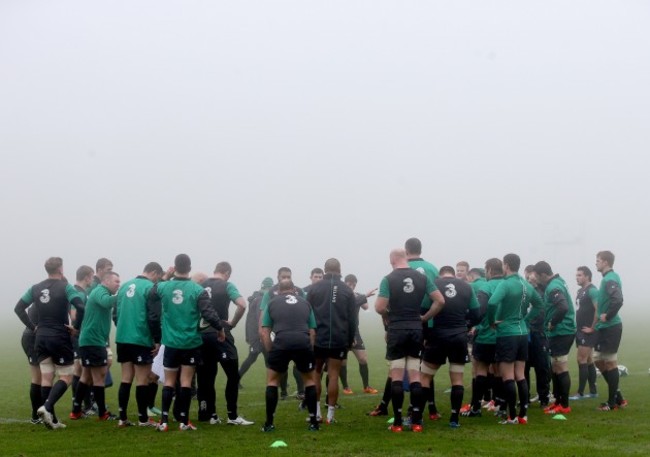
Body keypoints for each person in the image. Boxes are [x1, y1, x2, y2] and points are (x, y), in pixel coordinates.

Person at [148, 254, 225, 431]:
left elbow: (151, 294)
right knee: (186, 382)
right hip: (190, 343)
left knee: (168, 382)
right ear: (190, 268)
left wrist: (165, 277)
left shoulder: (163, 287)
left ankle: (164, 421)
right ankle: (184, 421)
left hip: (171, 343)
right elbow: (209, 314)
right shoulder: (197, 290)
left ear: (175, 267)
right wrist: (220, 329)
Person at [374, 248, 445, 433]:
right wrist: (424, 317)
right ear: (405, 258)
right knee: (415, 375)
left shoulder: (388, 278)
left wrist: (390, 315)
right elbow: (440, 301)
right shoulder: (422, 278)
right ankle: (416, 422)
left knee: (397, 375)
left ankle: (397, 423)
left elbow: (379, 307)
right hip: (416, 328)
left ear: (392, 261)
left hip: (397, 329)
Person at [14, 257, 86, 430]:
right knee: (66, 377)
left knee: (46, 377)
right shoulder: (66, 287)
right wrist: (75, 327)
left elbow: (18, 308)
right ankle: (46, 407)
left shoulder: (35, 288)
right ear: (61, 269)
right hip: (59, 337)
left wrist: (33, 327)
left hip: (40, 337)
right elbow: (81, 307)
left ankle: (52, 420)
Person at [487, 253, 543, 425]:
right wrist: (525, 320)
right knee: (520, 375)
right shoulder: (526, 284)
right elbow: (539, 304)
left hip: (507, 334)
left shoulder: (506, 284)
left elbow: (492, 303)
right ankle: (523, 415)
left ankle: (511, 416)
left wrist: (492, 322)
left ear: (506, 265)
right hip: (522, 334)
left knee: (508, 376)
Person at [421, 266, 479, 428]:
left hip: (437, 336)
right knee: (457, 379)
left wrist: (426, 336)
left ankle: (417, 416)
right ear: (453, 274)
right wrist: (466, 325)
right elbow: (476, 313)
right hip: (459, 337)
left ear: (440, 274)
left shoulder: (433, 285)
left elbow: (423, 311)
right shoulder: (467, 286)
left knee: (425, 377)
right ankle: (454, 418)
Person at [197, 261, 253, 426]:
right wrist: (233, 323)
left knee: (207, 377)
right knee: (233, 376)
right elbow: (242, 305)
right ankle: (232, 416)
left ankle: (212, 415)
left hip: (201, 336)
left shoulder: (200, 285)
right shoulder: (227, 285)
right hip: (220, 334)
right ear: (227, 272)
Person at [260, 279, 319, 432]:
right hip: (302, 341)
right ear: (294, 289)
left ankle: (269, 423)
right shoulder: (305, 303)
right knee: (310, 381)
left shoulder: (272, 303)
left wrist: (270, 351)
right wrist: (309, 349)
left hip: (281, 341)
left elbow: (264, 331)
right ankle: (313, 422)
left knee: (272, 381)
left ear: (279, 290)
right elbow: (312, 331)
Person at [114, 262, 167, 427]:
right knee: (142, 380)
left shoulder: (124, 286)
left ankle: (122, 418)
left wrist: (123, 327)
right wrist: (157, 339)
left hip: (122, 338)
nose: (157, 281)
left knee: (125, 378)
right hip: (141, 339)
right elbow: (153, 316)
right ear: (154, 272)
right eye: (158, 277)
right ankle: (143, 419)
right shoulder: (150, 288)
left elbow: (115, 314)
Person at [306, 258, 357, 424]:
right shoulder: (347, 290)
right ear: (340, 269)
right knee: (334, 375)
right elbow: (352, 319)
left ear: (324, 270)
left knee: (316, 372)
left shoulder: (314, 289)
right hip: (338, 337)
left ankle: (317, 413)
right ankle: (330, 416)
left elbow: (307, 314)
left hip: (318, 338)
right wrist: (349, 341)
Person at [73, 271, 122, 422]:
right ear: (106, 281)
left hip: (90, 340)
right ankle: (102, 413)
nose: (119, 284)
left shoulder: (100, 291)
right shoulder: (100, 291)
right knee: (99, 376)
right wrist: (123, 295)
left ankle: (75, 411)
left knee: (86, 376)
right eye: (116, 281)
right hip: (93, 341)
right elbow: (107, 302)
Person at [533, 261, 576, 415]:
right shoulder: (558, 281)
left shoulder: (553, 287)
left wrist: (553, 322)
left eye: (537, 277)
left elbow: (563, 306)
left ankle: (564, 405)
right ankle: (558, 401)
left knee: (560, 366)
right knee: (556, 366)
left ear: (543, 275)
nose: (537, 281)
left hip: (562, 330)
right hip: (561, 331)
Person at [464, 258, 504, 418]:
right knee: (501, 371)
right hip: (506, 336)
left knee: (480, 369)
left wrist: (471, 325)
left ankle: (475, 408)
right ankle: (501, 406)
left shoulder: (486, 287)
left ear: (489, 270)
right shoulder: (510, 285)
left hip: (487, 335)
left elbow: (479, 311)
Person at [258, 267, 305, 399]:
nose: (286, 279)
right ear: (278, 277)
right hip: (276, 332)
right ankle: (283, 391)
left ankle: (301, 391)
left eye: (288, 277)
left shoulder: (299, 291)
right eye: (283, 276)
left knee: (298, 363)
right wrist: (261, 331)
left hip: (297, 330)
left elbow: (307, 307)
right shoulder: (271, 292)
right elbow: (263, 312)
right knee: (281, 364)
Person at [594, 250, 626, 411]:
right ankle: (618, 397)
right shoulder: (607, 279)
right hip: (603, 328)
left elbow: (618, 299)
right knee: (597, 359)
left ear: (606, 262)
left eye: (598, 260)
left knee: (610, 362)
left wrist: (608, 315)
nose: (596, 263)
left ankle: (612, 402)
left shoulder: (610, 279)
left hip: (611, 327)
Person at [341, 274, 378, 395]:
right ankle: (346, 387)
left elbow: (366, 306)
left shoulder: (356, 295)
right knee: (343, 361)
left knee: (363, 358)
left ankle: (366, 386)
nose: (351, 286)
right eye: (349, 284)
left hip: (355, 331)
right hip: (343, 331)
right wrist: (363, 296)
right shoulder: (341, 295)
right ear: (344, 283)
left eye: (353, 284)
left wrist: (361, 297)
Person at [523, 265, 551, 408]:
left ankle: (544, 397)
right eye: (527, 276)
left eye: (532, 275)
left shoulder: (543, 290)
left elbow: (542, 310)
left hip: (539, 333)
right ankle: (525, 397)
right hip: (526, 333)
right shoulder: (524, 291)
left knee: (542, 367)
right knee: (524, 367)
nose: (530, 278)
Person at [570, 266, 599, 400]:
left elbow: (598, 310)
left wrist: (592, 328)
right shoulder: (580, 291)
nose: (577, 277)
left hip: (587, 331)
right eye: (576, 275)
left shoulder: (592, 290)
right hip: (580, 330)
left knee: (581, 359)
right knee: (588, 359)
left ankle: (580, 393)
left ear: (587, 276)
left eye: (580, 275)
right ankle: (593, 391)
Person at [238, 277, 274, 385]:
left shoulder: (257, 297)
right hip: (259, 334)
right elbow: (261, 318)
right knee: (254, 357)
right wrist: (263, 333)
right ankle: (236, 379)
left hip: (256, 333)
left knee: (268, 359)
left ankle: (279, 382)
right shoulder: (261, 299)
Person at [70, 266, 94, 415]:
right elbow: (73, 315)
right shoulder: (78, 293)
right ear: (87, 277)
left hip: (80, 335)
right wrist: (81, 326)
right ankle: (80, 405)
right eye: (91, 277)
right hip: (78, 336)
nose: (92, 280)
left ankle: (85, 405)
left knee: (84, 370)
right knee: (79, 371)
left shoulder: (81, 292)